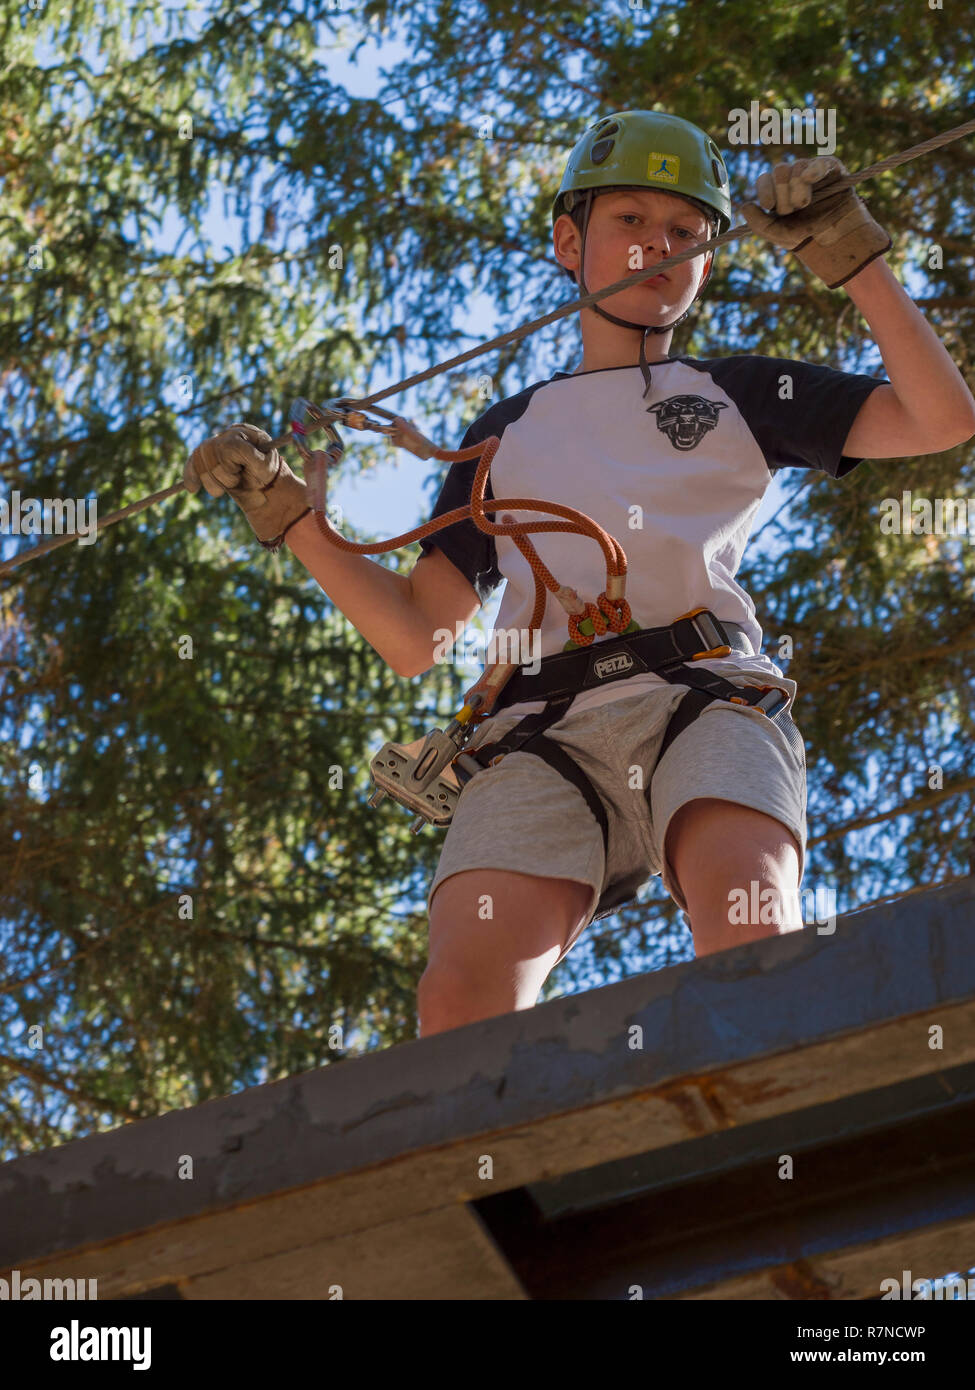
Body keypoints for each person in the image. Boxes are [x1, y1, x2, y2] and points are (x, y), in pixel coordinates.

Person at [184, 110, 975, 1040]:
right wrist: (290, 517)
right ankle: (484, 1179)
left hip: (703, 697)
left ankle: (780, 1156)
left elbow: (939, 419)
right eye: (630, 221)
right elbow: (415, 637)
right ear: (570, 243)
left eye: (685, 232)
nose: (658, 245)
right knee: (460, 999)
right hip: (538, 730)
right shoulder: (502, 429)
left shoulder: (739, 393)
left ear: (707, 263)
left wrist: (853, 259)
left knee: (749, 920)